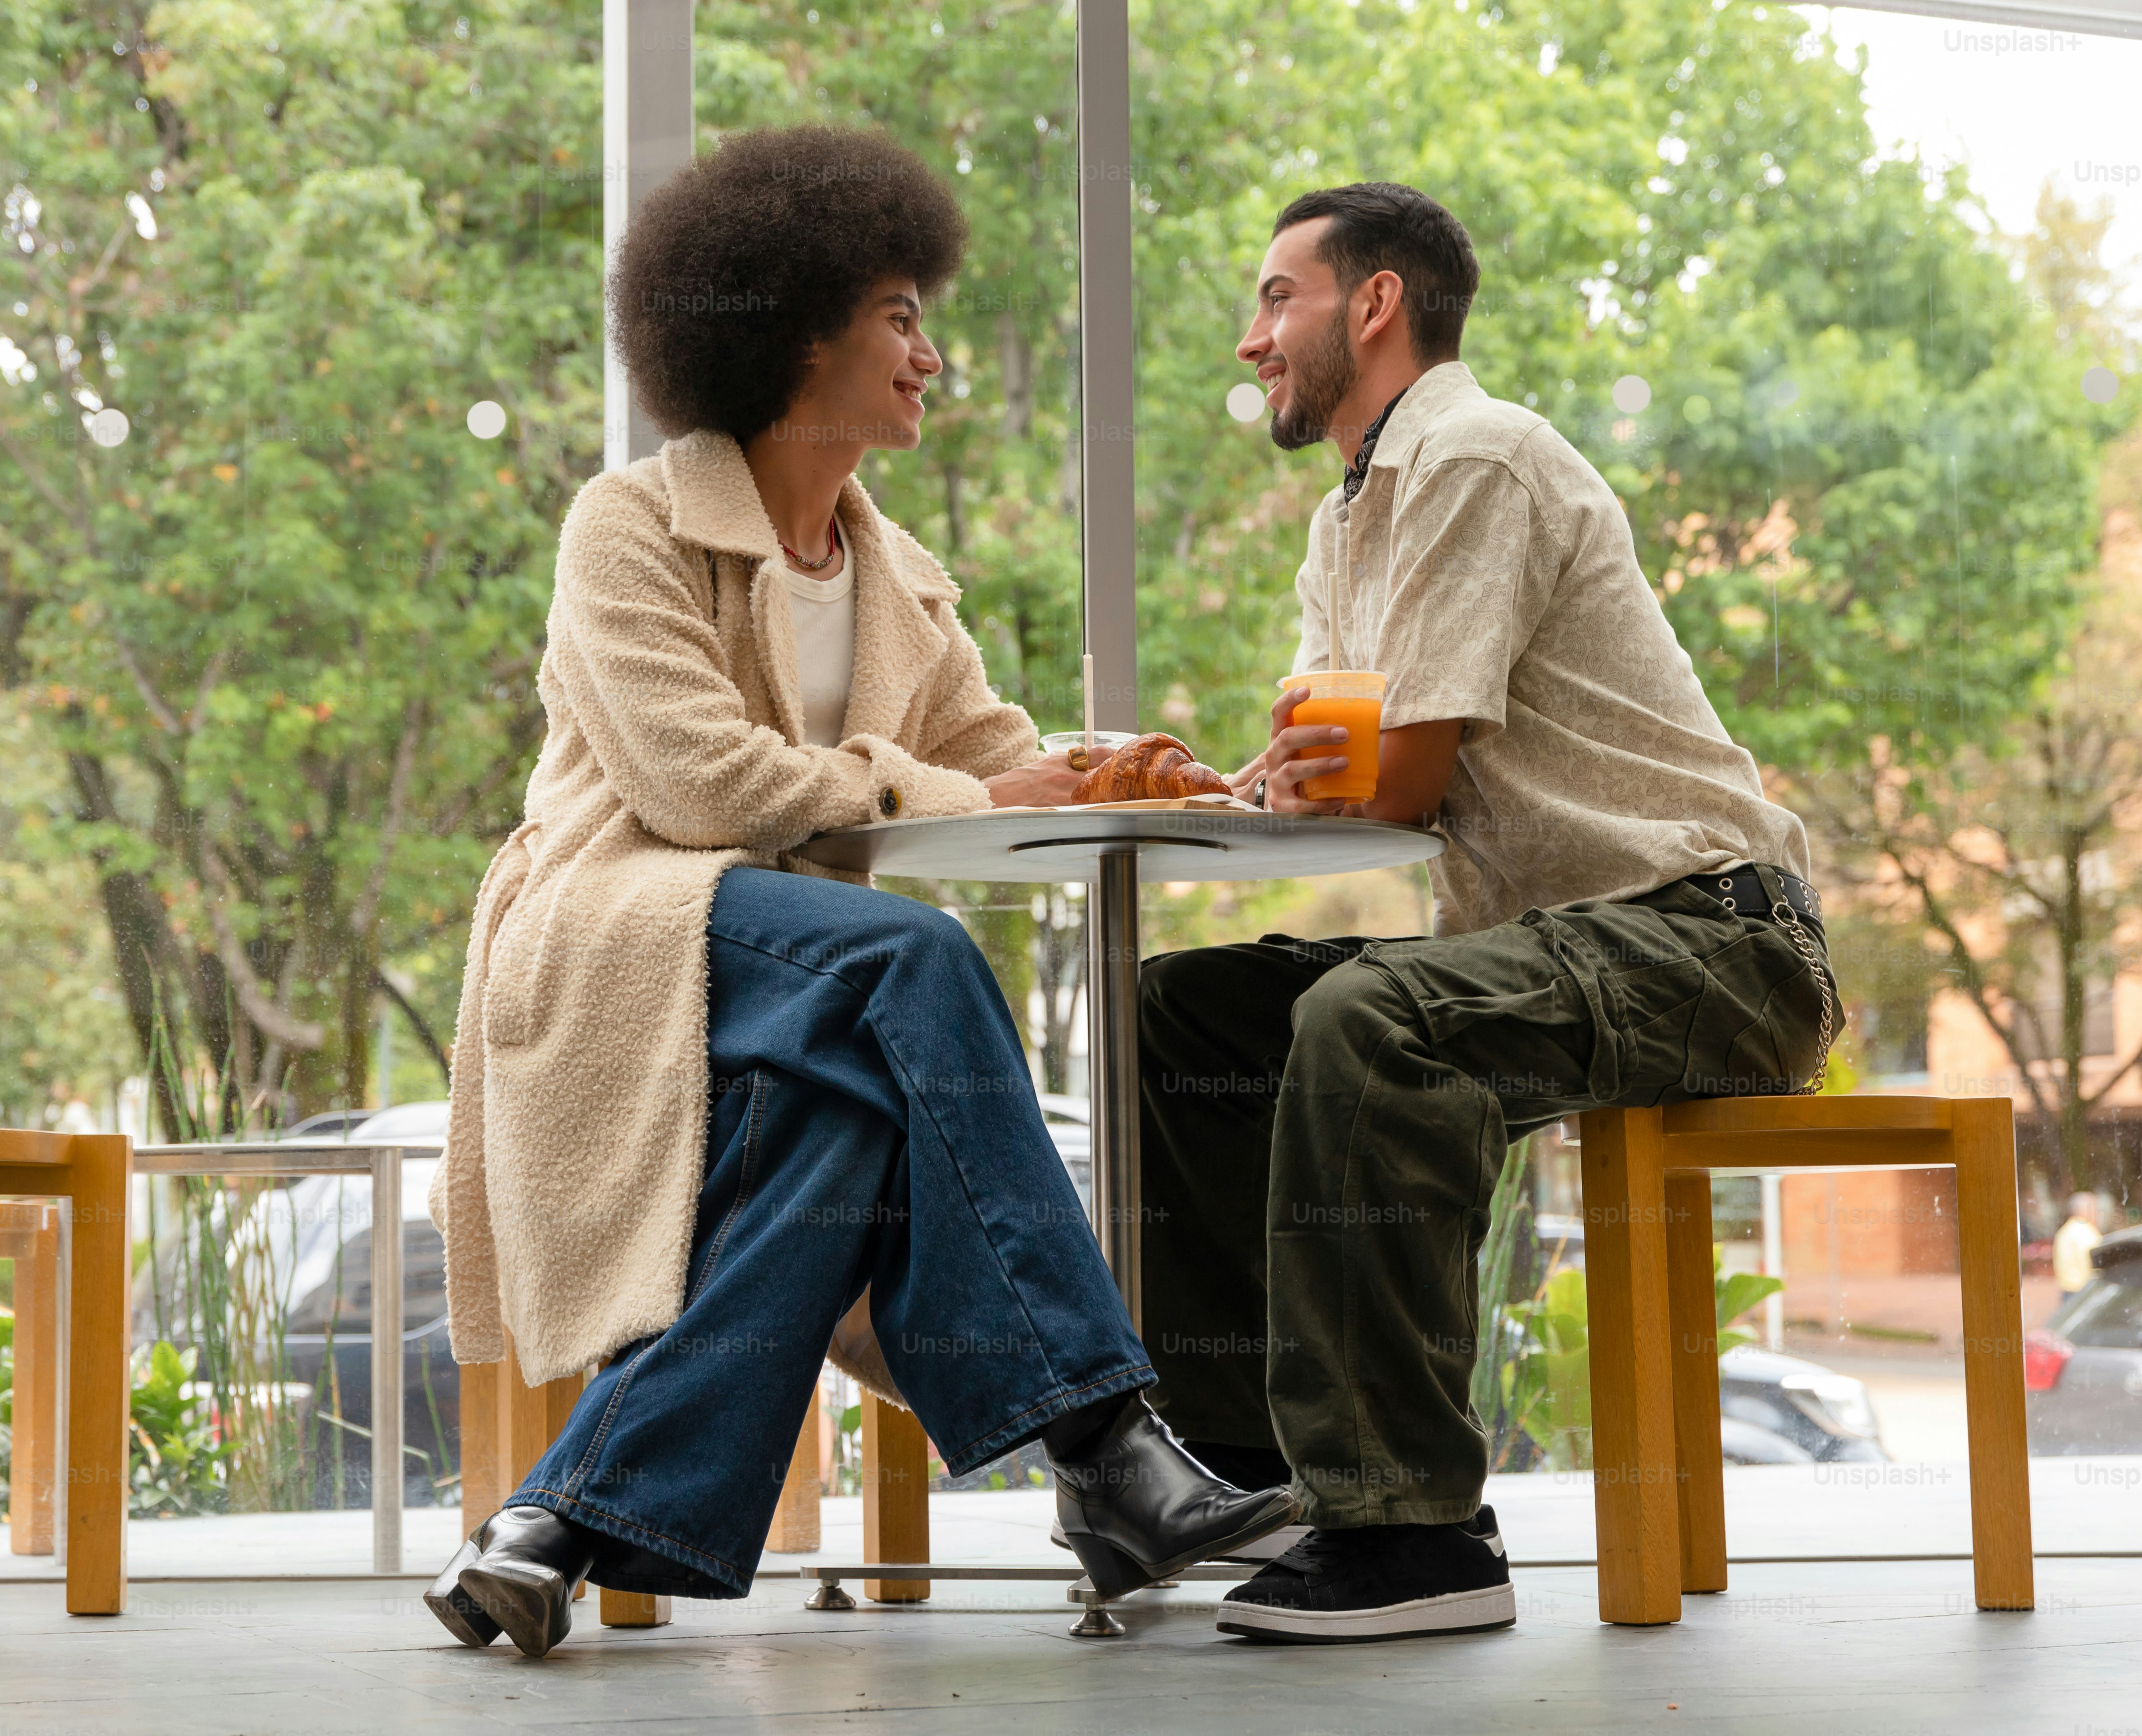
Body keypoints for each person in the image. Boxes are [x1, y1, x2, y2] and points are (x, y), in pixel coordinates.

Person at [426, 126, 1293, 1658]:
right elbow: (700, 787)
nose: (928, 353)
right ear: (789, 324)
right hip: (617, 923)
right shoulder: (625, 525)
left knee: (836, 1139)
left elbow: (990, 756)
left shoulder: (898, 576)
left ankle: (549, 1521)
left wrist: (1127, 772)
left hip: (794, 974)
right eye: (897, 315)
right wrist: (967, 792)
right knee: (914, 960)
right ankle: (1107, 1450)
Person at [1138, 183, 1834, 1644]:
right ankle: (1264, 1463)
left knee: (1371, 1020)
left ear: (1372, 303)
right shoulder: (1351, 519)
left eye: (1277, 297)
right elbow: (1341, 777)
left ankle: (1413, 1531)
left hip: (1713, 935)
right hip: (1555, 943)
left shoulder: (1475, 454)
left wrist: (1328, 770)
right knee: (1178, 1012)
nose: (1251, 335)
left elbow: (1398, 774)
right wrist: (1247, 784)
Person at [2054, 1193, 2104, 1294]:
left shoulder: (2065, 1230)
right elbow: (2094, 1263)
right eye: (2095, 1209)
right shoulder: (2086, 1231)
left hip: (2068, 1292)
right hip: (2084, 1291)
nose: (2098, 1213)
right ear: (2085, 1210)